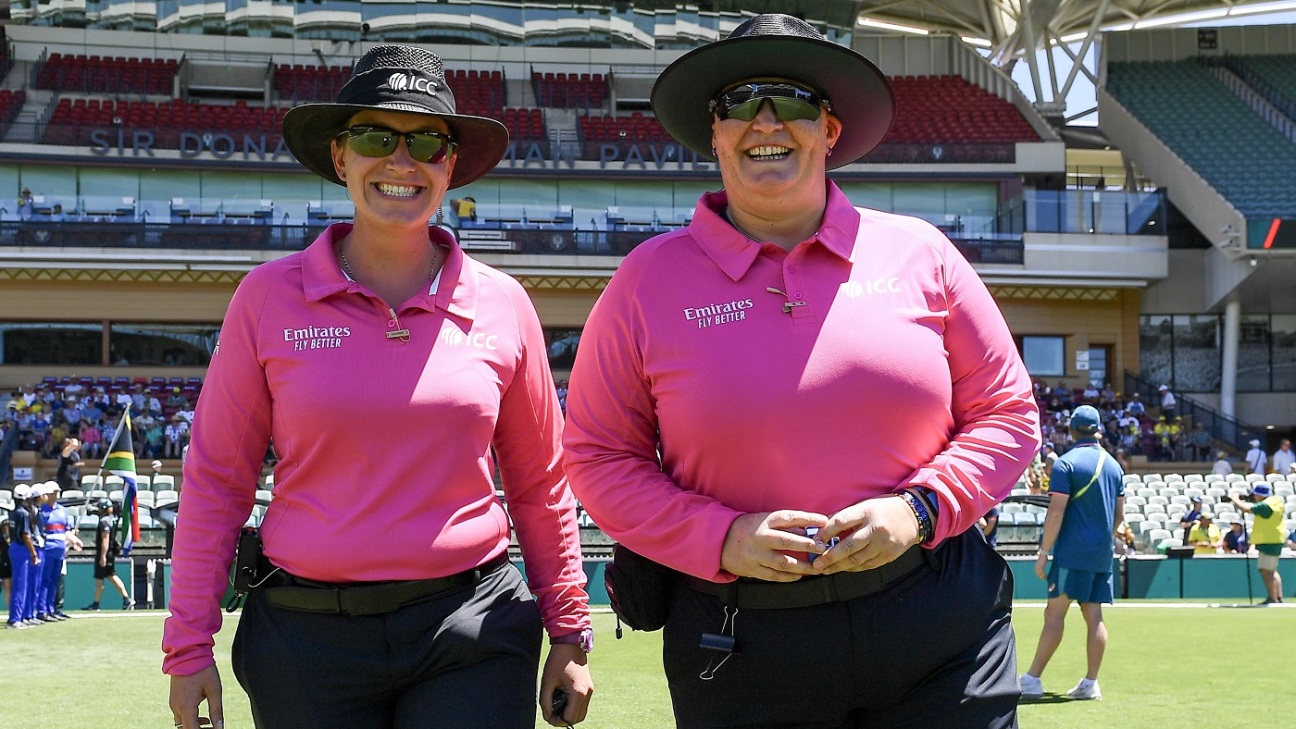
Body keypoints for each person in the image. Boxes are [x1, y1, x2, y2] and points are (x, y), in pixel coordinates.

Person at [563, 15, 1040, 728]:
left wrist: (919, 509)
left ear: (828, 129)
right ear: (714, 132)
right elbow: (599, 457)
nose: (766, 121)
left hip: (937, 619)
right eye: (741, 103)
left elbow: (1009, 415)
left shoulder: (923, 254)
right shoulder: (644, 281)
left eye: (788, 100)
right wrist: (719, 535)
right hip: (740, 639)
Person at [163, 45, 593, 729]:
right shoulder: (267, 299)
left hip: (472, 628)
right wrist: (188, 646)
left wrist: (570, 630)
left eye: (427, 141)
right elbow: (217, 477)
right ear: (341, 158)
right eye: (374, 137)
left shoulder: (504, 303)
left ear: (449, 163)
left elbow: (541, 481)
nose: (401, 160)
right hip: (306, 638)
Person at [1020, 405, 1124, 701]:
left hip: (1071, 553)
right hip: (1100, 555)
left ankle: (1033, 679)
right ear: (1098, 429)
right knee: (1094, 616)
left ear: (1071, 430)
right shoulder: (1115, 466)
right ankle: (1091, 683)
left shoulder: (1066, 464)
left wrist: (1043, 552)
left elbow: (1055, 513)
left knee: (1054, 615)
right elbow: (1119, 515)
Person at [1229, 483, 1285, 604]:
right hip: (1275, 539)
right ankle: (1278, 596)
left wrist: (1235, 499)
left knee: (1266, 570)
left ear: (1260, 495)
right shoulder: (1275, 501)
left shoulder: (1265, 505)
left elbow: (1246, 509)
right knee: (1272, 570)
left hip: (1268, 540)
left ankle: (1272, 598)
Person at [37, 481, 81, 621]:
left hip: (59, 551)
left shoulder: (62, 511)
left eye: (56, 493)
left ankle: (51, 610)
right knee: (45, 581)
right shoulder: (40, 511)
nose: (54, 496)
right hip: (46, 550)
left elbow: (65, 531)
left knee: (55, 581)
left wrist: (74, 540)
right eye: (52, 493)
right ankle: (42, 610)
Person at [83, 498, 132, 612]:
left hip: (104, 552)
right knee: (108, 576)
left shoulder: (104, 522)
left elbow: (105, 539)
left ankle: (98, 603)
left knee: (103, 578)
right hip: (109, 552)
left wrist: (103, 556)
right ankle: (125, 599)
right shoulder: (112, 520)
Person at [6, 484, 41, 629]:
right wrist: (33, 553)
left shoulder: (13, 512)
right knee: (21, 585)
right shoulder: (24, 513)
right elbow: (26, 536)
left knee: (20, 584)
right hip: (21, 549)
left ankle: (17, 617)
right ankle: (15, 619)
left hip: (15, 547)